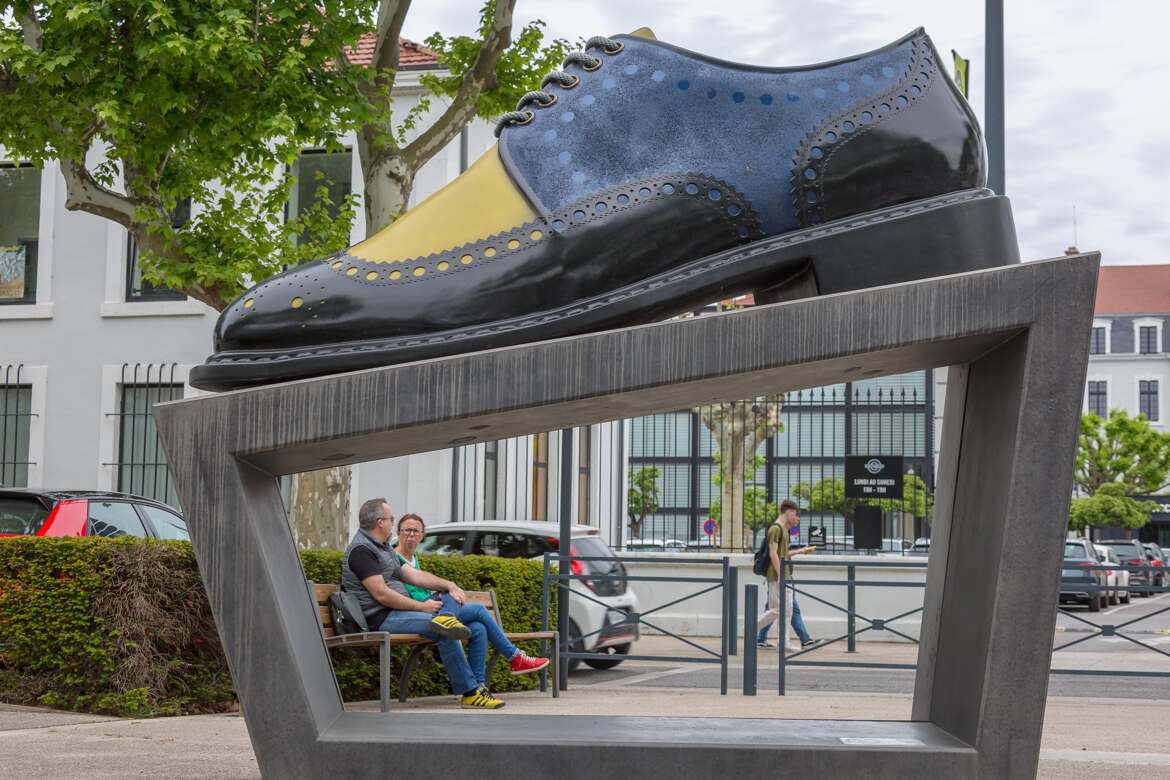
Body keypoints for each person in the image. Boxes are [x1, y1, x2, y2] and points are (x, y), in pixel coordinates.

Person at [343, 498, 548, 709]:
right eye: (391, 518)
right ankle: (478, 687)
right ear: (380, 522)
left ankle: (478, 688)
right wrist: (422, 607)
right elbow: (382, 595)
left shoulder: (382, 548)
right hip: (382, 618)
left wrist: (449, 585)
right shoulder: (362, 551)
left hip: (396, 613)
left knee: (475, 626)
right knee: (453, 624)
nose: (392, 522)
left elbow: (413, 576)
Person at [755, 500, 816, 651]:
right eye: (795, 514)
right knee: (780, 609)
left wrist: (801, 551)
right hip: (777, 576)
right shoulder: (776, 529)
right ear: (788, 512)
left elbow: (783, 554)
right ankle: (751, 626)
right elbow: (773, 553)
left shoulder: (783, 530)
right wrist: (780, 574)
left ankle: (784, 643)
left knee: (786, 610)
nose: (797, 518)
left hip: (783, 575)